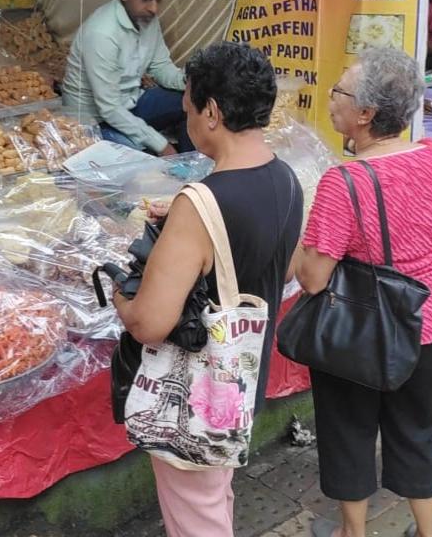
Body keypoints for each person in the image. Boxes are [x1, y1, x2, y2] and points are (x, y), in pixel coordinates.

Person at [113, 42, 303, 536]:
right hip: (242, 380)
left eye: (189, 109)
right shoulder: (287, 177)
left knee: (196, 516)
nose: (188, 122)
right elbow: (282, 270)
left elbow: (150, 322)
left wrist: (117, 290)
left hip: (198, 394)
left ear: (213, 112)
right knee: (212, 493)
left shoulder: (200, 202)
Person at [295, 48, 432, 537]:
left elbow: (314, 278)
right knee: (415, 432)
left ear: (365, 114)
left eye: (339, 90)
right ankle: (428, 533)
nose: (331, 96)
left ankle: (354, 532)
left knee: (349, 432)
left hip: (361, 329)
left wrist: (294, 242)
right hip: (425, 320)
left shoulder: (343, 181)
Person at [63, 0, 191, 155]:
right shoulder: (102, 32)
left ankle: (192, 166)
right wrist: (162, 145)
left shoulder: (148, 19)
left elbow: (160, 67)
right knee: (140, 162)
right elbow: (109, 108)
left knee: (194, 103)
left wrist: (191, 82)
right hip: (95, 121)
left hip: (131, 103)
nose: (154, 8)